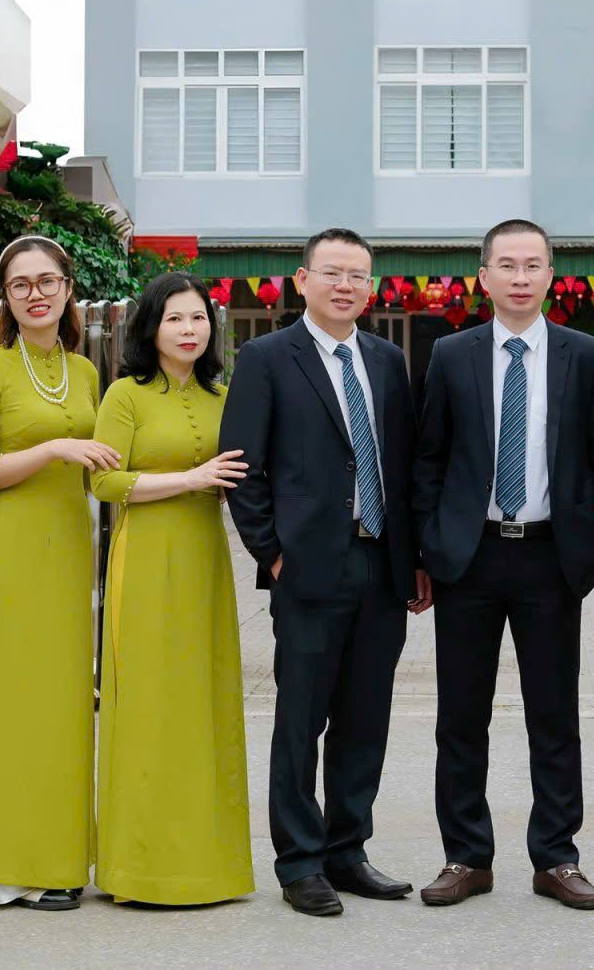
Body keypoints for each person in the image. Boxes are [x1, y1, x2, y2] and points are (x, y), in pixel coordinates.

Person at [219, 228, 429, 917]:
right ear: (302, 279)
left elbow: (401, 464)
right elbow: (243, 468)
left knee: (365, 718)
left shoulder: (386, 360)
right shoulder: (266, 357)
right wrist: (272, 553)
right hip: (307, 568)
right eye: (332, 272)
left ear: (372, 288)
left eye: (358, 276)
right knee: (300, 719)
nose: (345, 286)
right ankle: (300, 861)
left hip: (380, 563)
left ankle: (347, 849)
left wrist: (414, 558)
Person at [412, 220, 594, 912]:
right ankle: (466, 856)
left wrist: (587, 546)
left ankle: (556, 857)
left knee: (554, 715)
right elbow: (429, 457)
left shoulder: (586, 355)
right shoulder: (452, 354)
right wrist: (429, 548)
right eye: (507, 264)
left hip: (549, 556)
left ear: (551, 274)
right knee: (460, 717)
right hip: (468, 557)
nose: (521, 277)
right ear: (484, 276)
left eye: (533, 264)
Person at [0, 236, 113, 911]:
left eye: (48, 281)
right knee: (12, 700)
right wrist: (52, 448)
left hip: (73, 545)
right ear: (6, 297)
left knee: (66, 704)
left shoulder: (84, 372)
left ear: (69, 288)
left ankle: (60, 860)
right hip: (14, 545)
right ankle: (6, 870)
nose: (36, 294)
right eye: (20, 284)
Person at [91, 273, 253, 907]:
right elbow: (104, 484)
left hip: (206, 559)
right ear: (151, 328)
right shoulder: (125, 395)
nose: (189, 330)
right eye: (175, 319)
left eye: (199, 318)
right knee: (149, 703)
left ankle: (209, 866)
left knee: (205, 702)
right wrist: (191, 480)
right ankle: (140, 868)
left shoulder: (222, 396)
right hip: (147, 557)